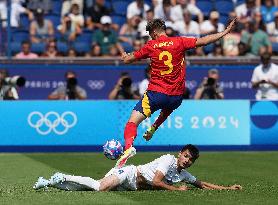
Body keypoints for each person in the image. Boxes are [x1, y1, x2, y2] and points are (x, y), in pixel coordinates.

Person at [116, 18, 237, 168]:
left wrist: (125, 56)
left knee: (132, 122)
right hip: (176, 96)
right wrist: (225, 32)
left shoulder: (151, 45)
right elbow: (204, 41)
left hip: (156, 93)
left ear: (154, 32)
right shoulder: (179, 41)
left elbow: (128, 60)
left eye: (150, 34)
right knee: (168, 106)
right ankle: (154, 127)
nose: (150, 37)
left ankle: (128, 148)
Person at [33, 144, 242, 192]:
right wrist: (176, 190)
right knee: (98, 187)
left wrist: (227, 188)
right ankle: (63, 175)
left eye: (190, 160)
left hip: (129, 186)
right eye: (186, 156)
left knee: (85, 190)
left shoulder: (183, 174)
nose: (187, 161)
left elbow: (201, 184)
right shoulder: (168, 160)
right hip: (130, 174)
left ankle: (51, 182)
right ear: (180, 153)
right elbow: (157, 181)